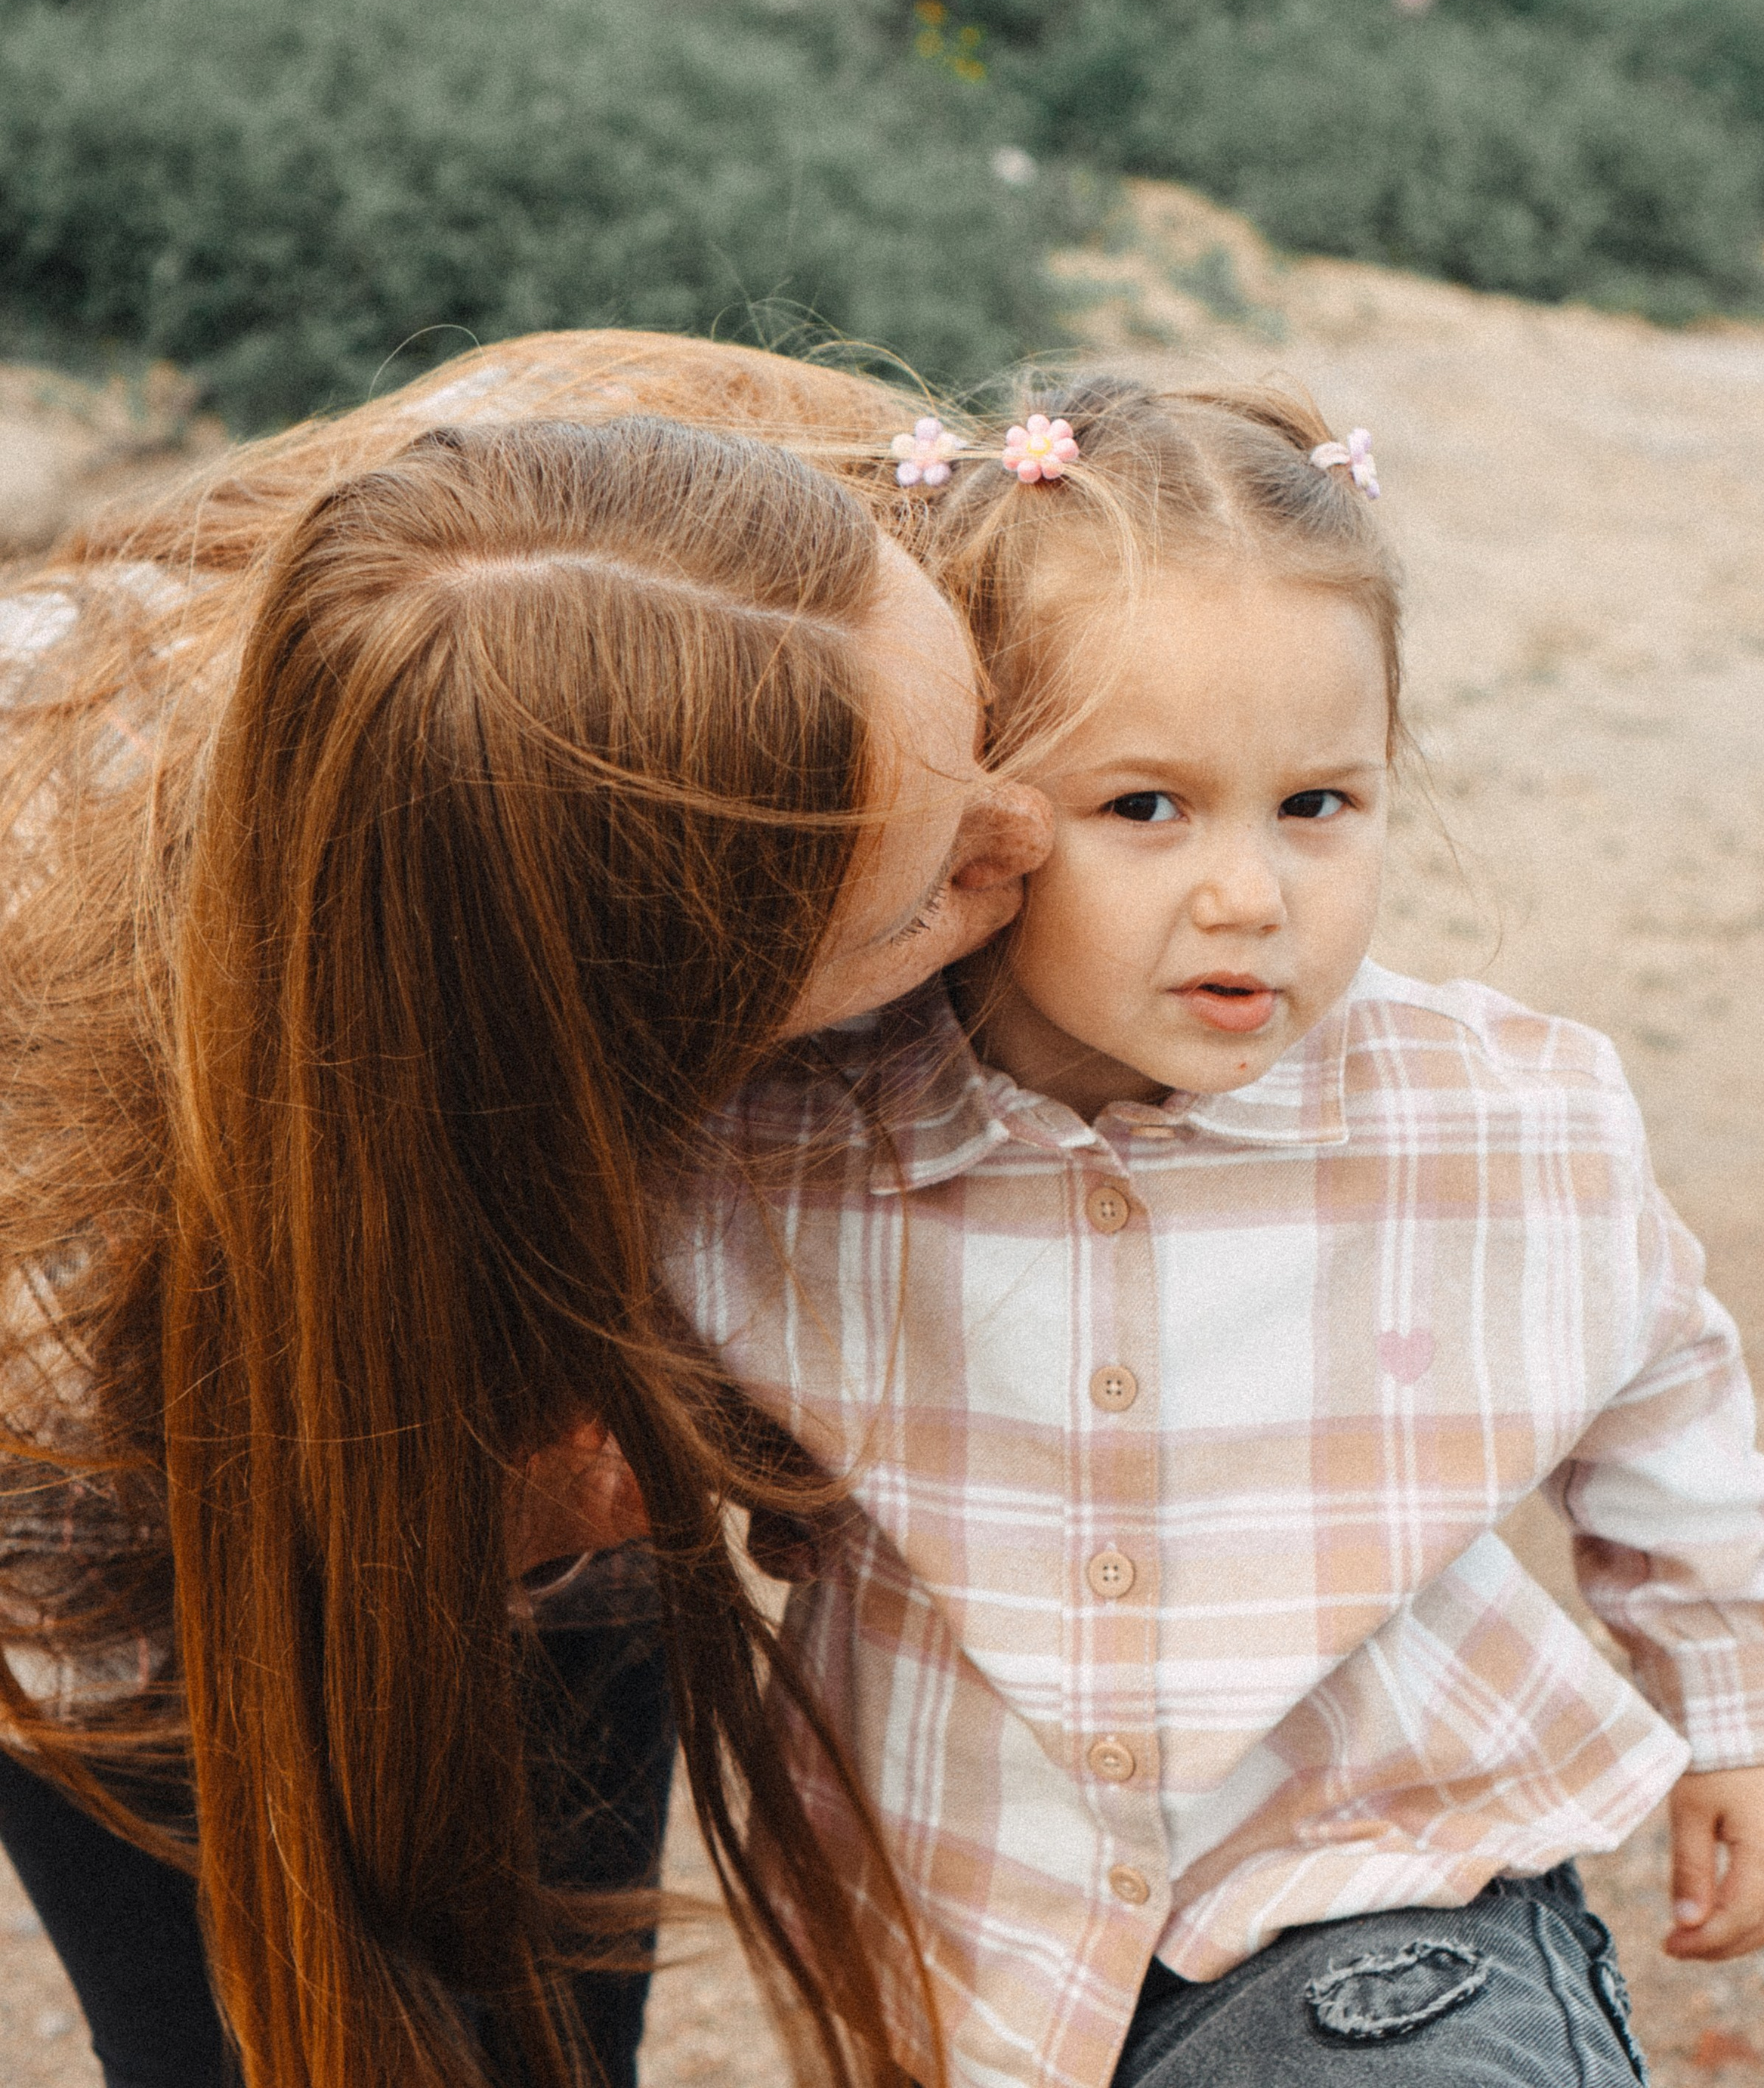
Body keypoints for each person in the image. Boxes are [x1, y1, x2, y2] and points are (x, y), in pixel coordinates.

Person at [671, 372, 1764, 2088]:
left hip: (1392, 1885)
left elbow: (1660, 1391)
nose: (1247, 894)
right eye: (1145, 808)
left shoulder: (1499, 1118)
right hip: (959, 1938)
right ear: (974, 818)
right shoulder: (786, 1142)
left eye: (1315, 805)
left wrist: (1731, 1708)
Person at [0, 330, 1049, 2088]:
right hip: (132, 1428)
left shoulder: (773, 494)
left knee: (550, 2032)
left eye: (993, 732)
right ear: (646, 1027)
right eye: (934, 887)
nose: (1034, 838)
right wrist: (570, 1452)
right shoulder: (53, 1334)